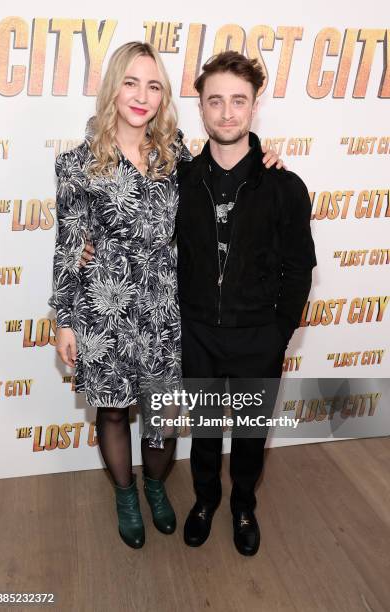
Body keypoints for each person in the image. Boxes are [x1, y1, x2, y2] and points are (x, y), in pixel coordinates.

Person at [50, 42, 283, 550]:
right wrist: (64, 318)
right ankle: (126, 494)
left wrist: (267, 157)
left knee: (162, 417)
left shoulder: (173, 151)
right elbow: (68, 244)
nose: (142, 95)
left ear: (163, 97)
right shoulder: (76, 164)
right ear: (113, 86)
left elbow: (227, 171)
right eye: (131, 83)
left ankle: (156, 485)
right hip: (102, 309)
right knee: (112, 412)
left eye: (154, 86)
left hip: (163, 308)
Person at [177, 51, 317, 556]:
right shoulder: (180, 183)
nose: (228, 112)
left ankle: (242, 504)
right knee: (207, 431)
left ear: (254, 107)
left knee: (252, 436)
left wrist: (277, 333)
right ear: (202, 108)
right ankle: (205, 500)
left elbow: (299, 269)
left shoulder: (285, 186)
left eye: (239, 100)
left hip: (259, 334)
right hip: (198, 333)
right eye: (216, 100)